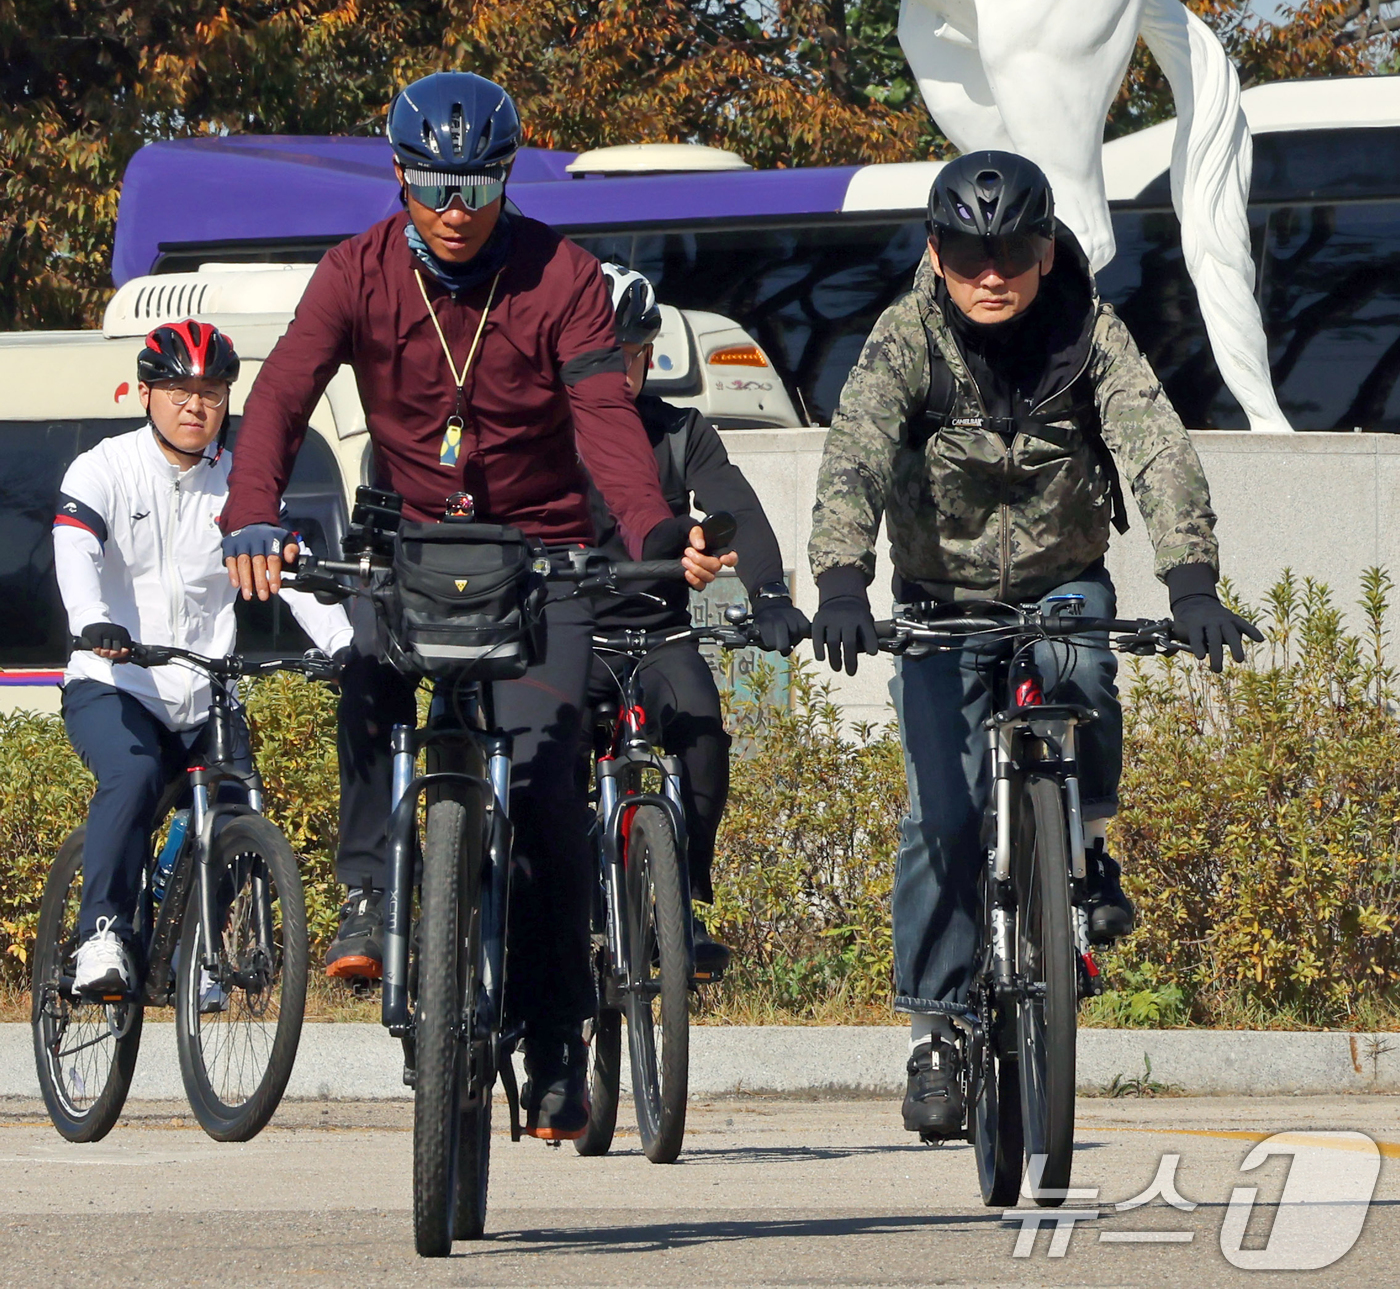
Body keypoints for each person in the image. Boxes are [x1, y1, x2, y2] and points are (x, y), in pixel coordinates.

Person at [220, 71, 720, 1140]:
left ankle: (552, 1044)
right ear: (399, 175)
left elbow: (605, 425)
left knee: (546, 792)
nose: (454, 212)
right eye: (435, 188)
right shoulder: (354, 271)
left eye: (477, 189)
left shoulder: (563, 277)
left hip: (539, 555)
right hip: (406, 543)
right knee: (364, 677)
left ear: (504, 181)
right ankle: (367, 891)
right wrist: (250, 513)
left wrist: (650, 534)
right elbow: (278, 397)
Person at [805, 150, 1262, 1142]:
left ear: (1045, 251)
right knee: (939, 817)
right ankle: (934, 1031)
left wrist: (1190, 582)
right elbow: (854, 453)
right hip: (937, 594)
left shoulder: (1090, 334)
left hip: (1059, 577)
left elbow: (1154, 443)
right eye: (968, 253)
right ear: (937, 251)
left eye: (1012, 250)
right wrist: (840, 579)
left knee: (1079, 666)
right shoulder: (905, 338)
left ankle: (1085, 852)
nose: (990, 273)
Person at [53, 319, 353, 999]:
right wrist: (92, 621)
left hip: (205, 691)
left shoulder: (239, 485)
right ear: (147, 394)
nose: (197, 406)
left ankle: (198, 950)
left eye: (213, 392)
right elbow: (76, 550)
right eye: (180, 391)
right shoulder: (103, 467)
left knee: (237, 802)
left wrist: (344, 646)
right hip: (115, 679)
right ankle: (101, 934)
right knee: (130, 778)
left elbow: (288, 570)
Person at [591, 263, 810, 978]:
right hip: (569, 631)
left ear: (646, 356)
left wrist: (770, 593)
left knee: (705, 737)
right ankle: (556, 898)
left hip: (658, 633)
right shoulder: (540, 432)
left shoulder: (681, 432)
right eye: (598, 351)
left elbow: (735, 511)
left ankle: (682, 895)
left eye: (626, 354)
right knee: (546, 752)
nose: (614, 369)